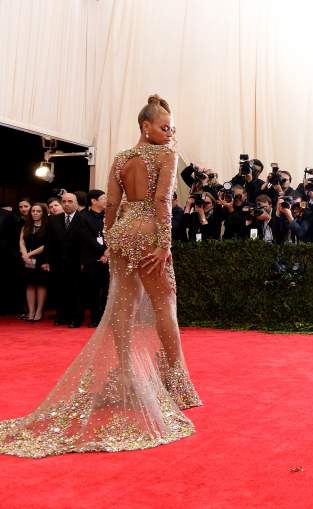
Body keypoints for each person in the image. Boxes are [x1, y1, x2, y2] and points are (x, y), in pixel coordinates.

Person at [0, 94, 201, 459]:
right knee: (164, 304)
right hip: (149, 232)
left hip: (123, 231)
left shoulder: (122, 158)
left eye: (172, 128)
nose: (170, 133)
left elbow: (111, 204)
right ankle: (177, 386)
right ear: (147, 126)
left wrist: (110, 238)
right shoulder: (166, 156)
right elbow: (160, 202)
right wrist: (165, 243)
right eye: (165, 126)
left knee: (122, 305)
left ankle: (127, 375)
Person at [47, 192, 85, 327]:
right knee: (60, 289)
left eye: (70, 201)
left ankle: (76, 318)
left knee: (76, 291)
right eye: (64, 201)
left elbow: (86, 243)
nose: (66, 204)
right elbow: (49, 242)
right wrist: (48, 261)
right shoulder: (53, 220)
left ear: (76, 203)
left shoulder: (83, 219)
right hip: (58, 262)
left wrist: (83, 261)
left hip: (76, 262)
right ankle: (62, 316)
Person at [79, 189, 109, 327]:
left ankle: (105, 317)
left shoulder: (108, 215)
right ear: (94, 201)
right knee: (93, 290)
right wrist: (103, 252)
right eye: (103, 198)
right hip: (91, 258)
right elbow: (87, 239)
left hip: (108, 258)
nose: (106, 200)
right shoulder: (83, 216)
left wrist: (108, 253)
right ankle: (94, 318)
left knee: (107, 289)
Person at [19, 202, 50, 322]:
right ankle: (31, 312)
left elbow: (46, 245)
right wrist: (24, 254)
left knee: (41, 285)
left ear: (43, 213)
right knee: (30, 284)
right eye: (33, 211)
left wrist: (30, 254)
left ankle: (39, 312)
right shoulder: (26, 225)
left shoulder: (47, 226)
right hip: (27, 260)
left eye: (38, 211)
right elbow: (21, 241)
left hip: (42, 259)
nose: (35, 213)